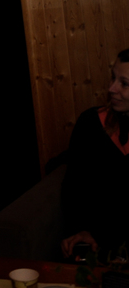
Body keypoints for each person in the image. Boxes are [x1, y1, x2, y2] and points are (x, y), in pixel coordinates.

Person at [61, 48, 129, 260]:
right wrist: (80, 230)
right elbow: (73, 188)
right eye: (113, 78)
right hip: (96, 242)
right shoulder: (91, 123)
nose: (111, 88)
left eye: (124, 84)